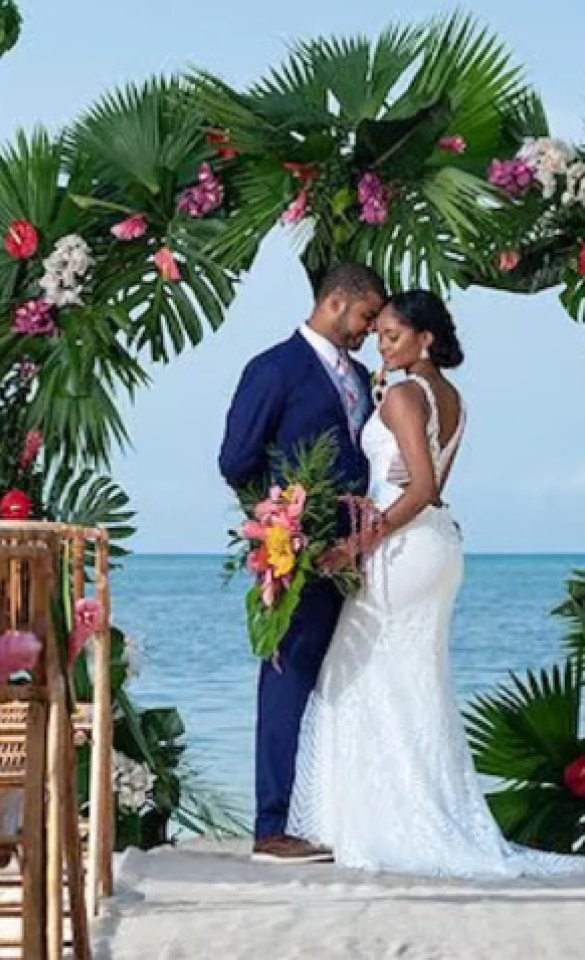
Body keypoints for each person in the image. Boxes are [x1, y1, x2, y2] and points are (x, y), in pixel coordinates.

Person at [289, 288, 584, 878]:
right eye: (379, 336)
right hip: (439, 548)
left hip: (404, 546)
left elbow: (419, 488)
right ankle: (421, 811)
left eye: (393, 335)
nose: (382, 344)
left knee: (354, 676)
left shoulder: (402, 394)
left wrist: (354, 545)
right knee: (415, 684)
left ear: (426, 338)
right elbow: (428, 481)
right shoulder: (451, 397)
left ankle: (378, 821)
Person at [217, 261, 386, 863]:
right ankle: (271, 826)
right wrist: (279, 523)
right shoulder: (274, 368)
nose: (370, 330)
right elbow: (236, 459)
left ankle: (342, 815)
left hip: (362, 552)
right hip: (299, 550)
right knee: (287, 680)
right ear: (339, 303)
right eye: (367, 317)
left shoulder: (364, 378)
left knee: (354, 680)